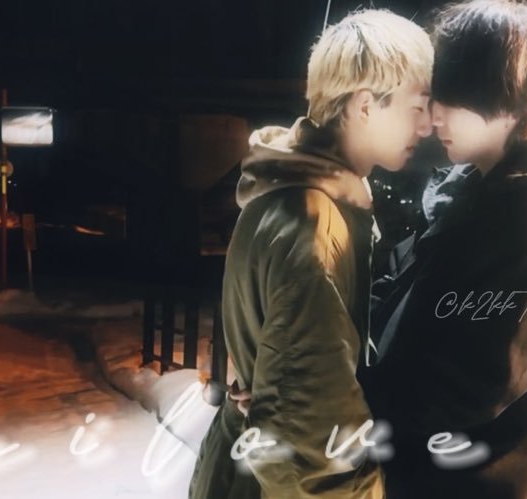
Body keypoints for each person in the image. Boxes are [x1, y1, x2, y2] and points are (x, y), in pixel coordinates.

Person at [188, 9, 435, 499]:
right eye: (417, 106)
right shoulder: (314, 224)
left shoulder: (290, 194)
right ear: (365, 106)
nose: (427, 125)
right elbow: (311, 450)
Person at [360, 2, 527, 498]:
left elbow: (468, 391)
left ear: (508, 100)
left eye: (451, 99)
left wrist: (344, 402)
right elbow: (400, 296)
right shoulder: (477, 189)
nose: (433, 117)